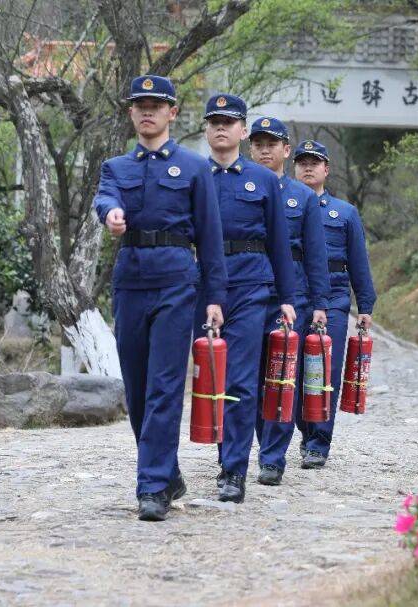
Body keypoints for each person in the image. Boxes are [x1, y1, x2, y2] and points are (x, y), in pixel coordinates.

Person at [93, 75, 226, 521]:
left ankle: (150, 487)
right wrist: (110, 213)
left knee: (165, 386)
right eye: (140, 105)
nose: (148, 111)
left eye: (157, 105)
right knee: (136, 386)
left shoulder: (193, 168)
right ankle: (166, 471)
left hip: (176, 283)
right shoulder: (116, 167)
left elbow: (210, 236)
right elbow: (106, 197)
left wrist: (214, 296)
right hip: (130, 280)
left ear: (172, 113)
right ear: (131, 113)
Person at [192, 93, 297, 504]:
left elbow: (278, 244)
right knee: (213, 376)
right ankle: (224, 453)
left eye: (229, 121)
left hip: (252, 286)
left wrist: (287, 296)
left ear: (241, 130)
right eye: (214, 120)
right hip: (204, 287)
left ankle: (233, 468)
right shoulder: (193, 176)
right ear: (206, 128)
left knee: (239, 378)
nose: (221, 127)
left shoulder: (264, 181)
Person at [247, 117, 330, 485]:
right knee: (247, 379)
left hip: (291, 299)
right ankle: (263, 440)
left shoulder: (303, 197)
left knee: (282, 378)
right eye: (259, 143)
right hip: (247, 292)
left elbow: (315, 255)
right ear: (251, 148)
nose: (265, 149)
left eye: (272, 143)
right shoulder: (240, 187)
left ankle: (273, 456)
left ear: (286, 151)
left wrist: (320, 304)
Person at [292, 140, 376, 468]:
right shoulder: (285, 207)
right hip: (297, 298)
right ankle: (305, 426)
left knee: (326, 370)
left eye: (315, 162)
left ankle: (319, 441)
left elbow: (358, 262)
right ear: (294, 167)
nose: (308, 168)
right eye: (302, 162)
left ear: (326, 169)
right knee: (293, 370)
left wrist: (365, 306)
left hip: (335, 300)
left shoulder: (344, 213)